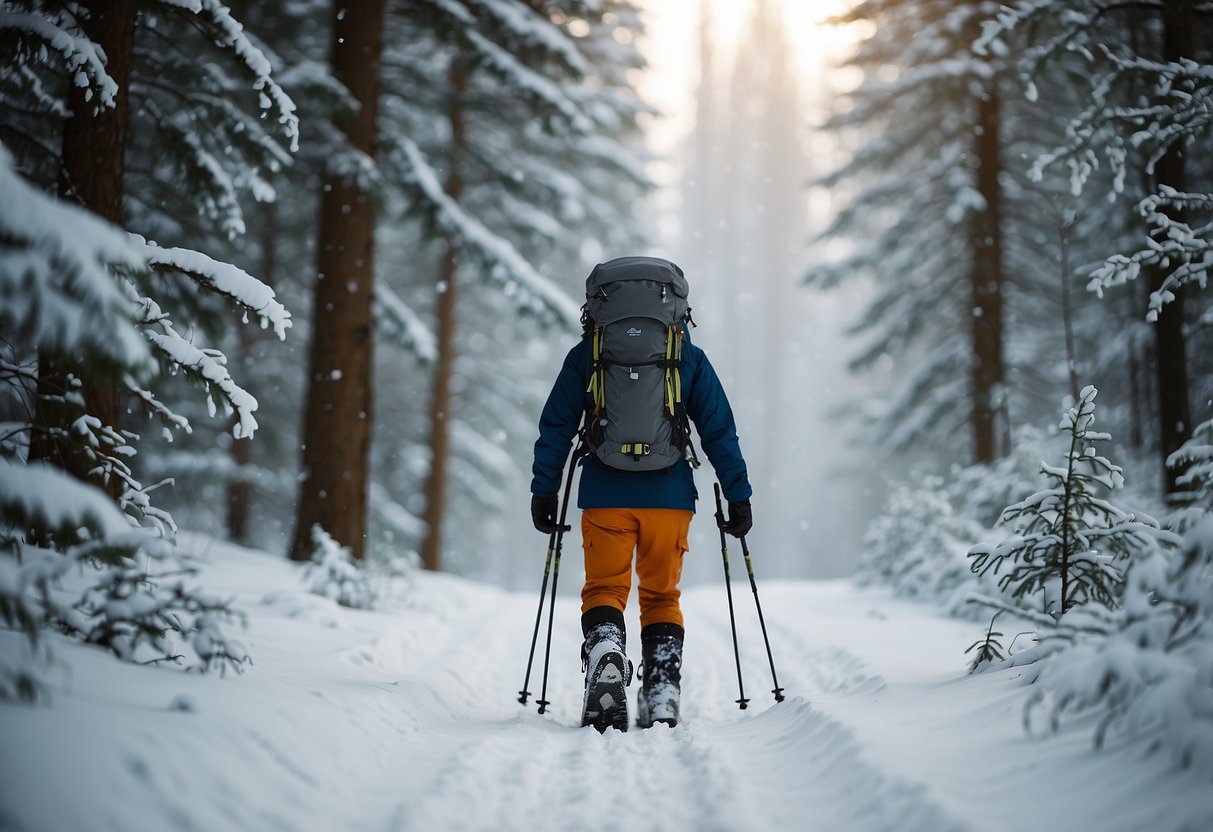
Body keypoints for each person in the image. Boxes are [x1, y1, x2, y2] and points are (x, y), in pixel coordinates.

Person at [530, 255, 752, 732]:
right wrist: (738, 494)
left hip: (605, 492)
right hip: (669, 496)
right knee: (660, 596)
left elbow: (556, 426)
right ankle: (662, 688)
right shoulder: (686, 355)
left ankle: (607, 649)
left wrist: (544, 490)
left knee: (605, 589)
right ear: (676, 307)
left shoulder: (589, 353)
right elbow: (719, 430)